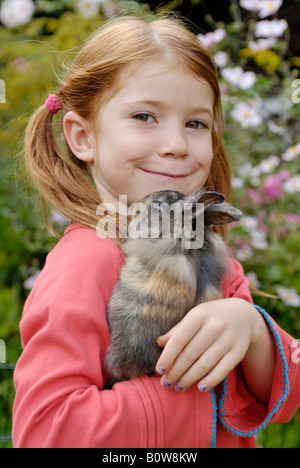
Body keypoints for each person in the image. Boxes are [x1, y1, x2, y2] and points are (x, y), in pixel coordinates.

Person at [13, 15, 300, 448]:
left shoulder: (207, 253)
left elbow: (287, 390)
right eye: (145, 116)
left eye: (196, 124)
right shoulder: (87, 261)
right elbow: (45, 431)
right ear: (82, 137)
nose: (176, 144)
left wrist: (252, 330)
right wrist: (192, 394)